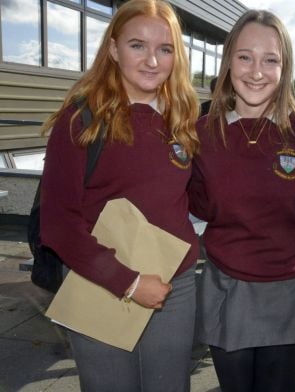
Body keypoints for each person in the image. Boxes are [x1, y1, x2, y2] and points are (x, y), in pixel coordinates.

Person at [39, 0, 200, 390]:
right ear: (113, 49)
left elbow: (192, 199)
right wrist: (128, 282)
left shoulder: (184, 119)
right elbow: (58, 224)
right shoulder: (81, 120)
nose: (152, 61)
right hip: (100, 282)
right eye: (137, 46)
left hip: (173, 287)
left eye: (165, 49)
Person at [187, 10, 295, 392]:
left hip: (290, 295)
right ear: (228, 61)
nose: (256, 71)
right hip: (228, 291)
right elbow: (196, 204)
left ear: (285, 67)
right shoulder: (200, 134)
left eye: (270, 59)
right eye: (245, 57)